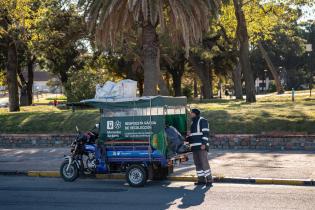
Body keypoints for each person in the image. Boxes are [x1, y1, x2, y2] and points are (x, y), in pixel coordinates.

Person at [187, 108, 213, 187]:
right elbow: (193, 135)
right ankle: (201, 180)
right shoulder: (193, 122)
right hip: (195, 147)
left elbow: (206, 133)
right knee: (197, 164)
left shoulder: (202, 120)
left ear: (195, 113)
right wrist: (188, 137)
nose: (190, 114)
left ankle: (209, 179)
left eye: (191, 113)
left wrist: (204, 144)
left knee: (204, 163)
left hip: (201, 146)